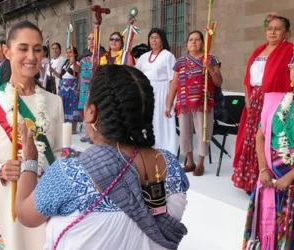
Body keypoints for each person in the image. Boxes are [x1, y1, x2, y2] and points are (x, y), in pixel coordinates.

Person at [15, 64, 188, 250]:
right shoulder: (170, 165)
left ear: (91, 112)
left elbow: (26, 214)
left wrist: (30, 160)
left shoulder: (69, 174)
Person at [0, 20, 63, 250]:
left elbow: (59, 153)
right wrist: (1, 169)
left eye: (37, 49)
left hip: (42, 200)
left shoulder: (54, 102)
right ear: (7, 51)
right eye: (23, 48)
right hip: (5, 200)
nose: (31, 56)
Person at [243, 35, 294, 250]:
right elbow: (261, 136)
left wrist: (290, 176)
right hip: (270, 179)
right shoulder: (274, 101)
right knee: (267, 236)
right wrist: (262, 169)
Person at [233, 15, 294, 193]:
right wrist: (247, 96)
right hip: (255, 100)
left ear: (287, 33)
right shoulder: (258, 50)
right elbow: (248, 78)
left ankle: (271, 176)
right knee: (252, 138)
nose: (272, 31)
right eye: (270, 28)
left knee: (269, 137)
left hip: (276, 100)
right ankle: (250, 179)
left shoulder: (290, 50)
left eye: (278, 28)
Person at [165, 30, 223, 176]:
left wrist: (210, 68)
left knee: (203, 132)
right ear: (187, 44)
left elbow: (218, 82)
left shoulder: (210, 59)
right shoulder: (180, 62)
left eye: (197, 39)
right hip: (184, 104)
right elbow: (174, 85)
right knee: (185, 132)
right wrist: (168, 104)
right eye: (191, 39)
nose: (193, 42)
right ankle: (190, 162)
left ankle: (201, 164)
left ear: (203, 43)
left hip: (203, 102)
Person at [136, 28, 178, 155]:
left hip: (163, 92)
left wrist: (169, 102)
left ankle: (166, 149)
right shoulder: (143, 57)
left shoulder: (168, 56)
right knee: (150, 120)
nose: (153, 40)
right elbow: (137, 75)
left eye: (156, 37)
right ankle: (151, 146)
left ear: (162, 40)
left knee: (162, 121)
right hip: (147, 93)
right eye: (151, 37)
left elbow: (173, 80)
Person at [59, 47, 80, 133]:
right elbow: (62, 75)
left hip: (71, 88)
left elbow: (78, 72)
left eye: (70, 52)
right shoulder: (66, 63)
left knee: (73, 106)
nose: (68, 54)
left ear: (75, 54)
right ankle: (66, 127)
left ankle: (73, 129)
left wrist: (74, 63)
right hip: (63, 88)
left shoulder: (77, 63)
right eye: (67, 52)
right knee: (65, 107)